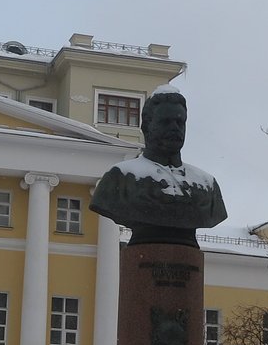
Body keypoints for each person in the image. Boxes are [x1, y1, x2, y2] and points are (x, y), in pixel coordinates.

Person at [90, 86, 227, 247]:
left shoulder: (208, 185)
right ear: (146, 127)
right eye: (166, 122)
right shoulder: (120, 178)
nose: (175, 127)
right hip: (142, 247)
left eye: (180, 122)